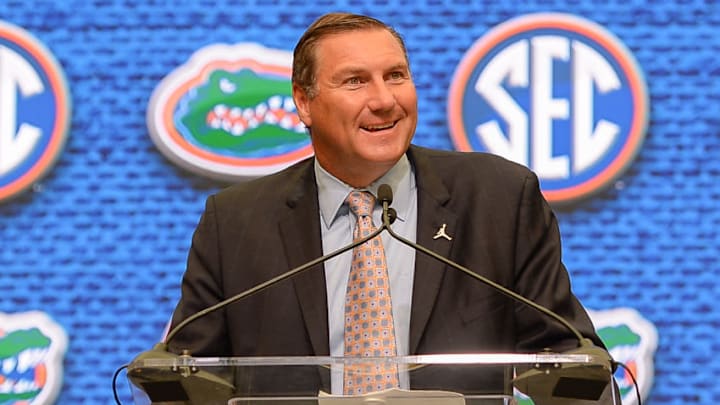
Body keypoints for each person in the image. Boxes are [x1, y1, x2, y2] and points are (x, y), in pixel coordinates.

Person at [166, 12, 612, 400]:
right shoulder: (236, 221)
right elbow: (186, 375)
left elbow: (569, 360)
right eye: (356, 81)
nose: (384, 100)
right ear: (304, 102)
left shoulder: (498, 199)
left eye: (395, 75)